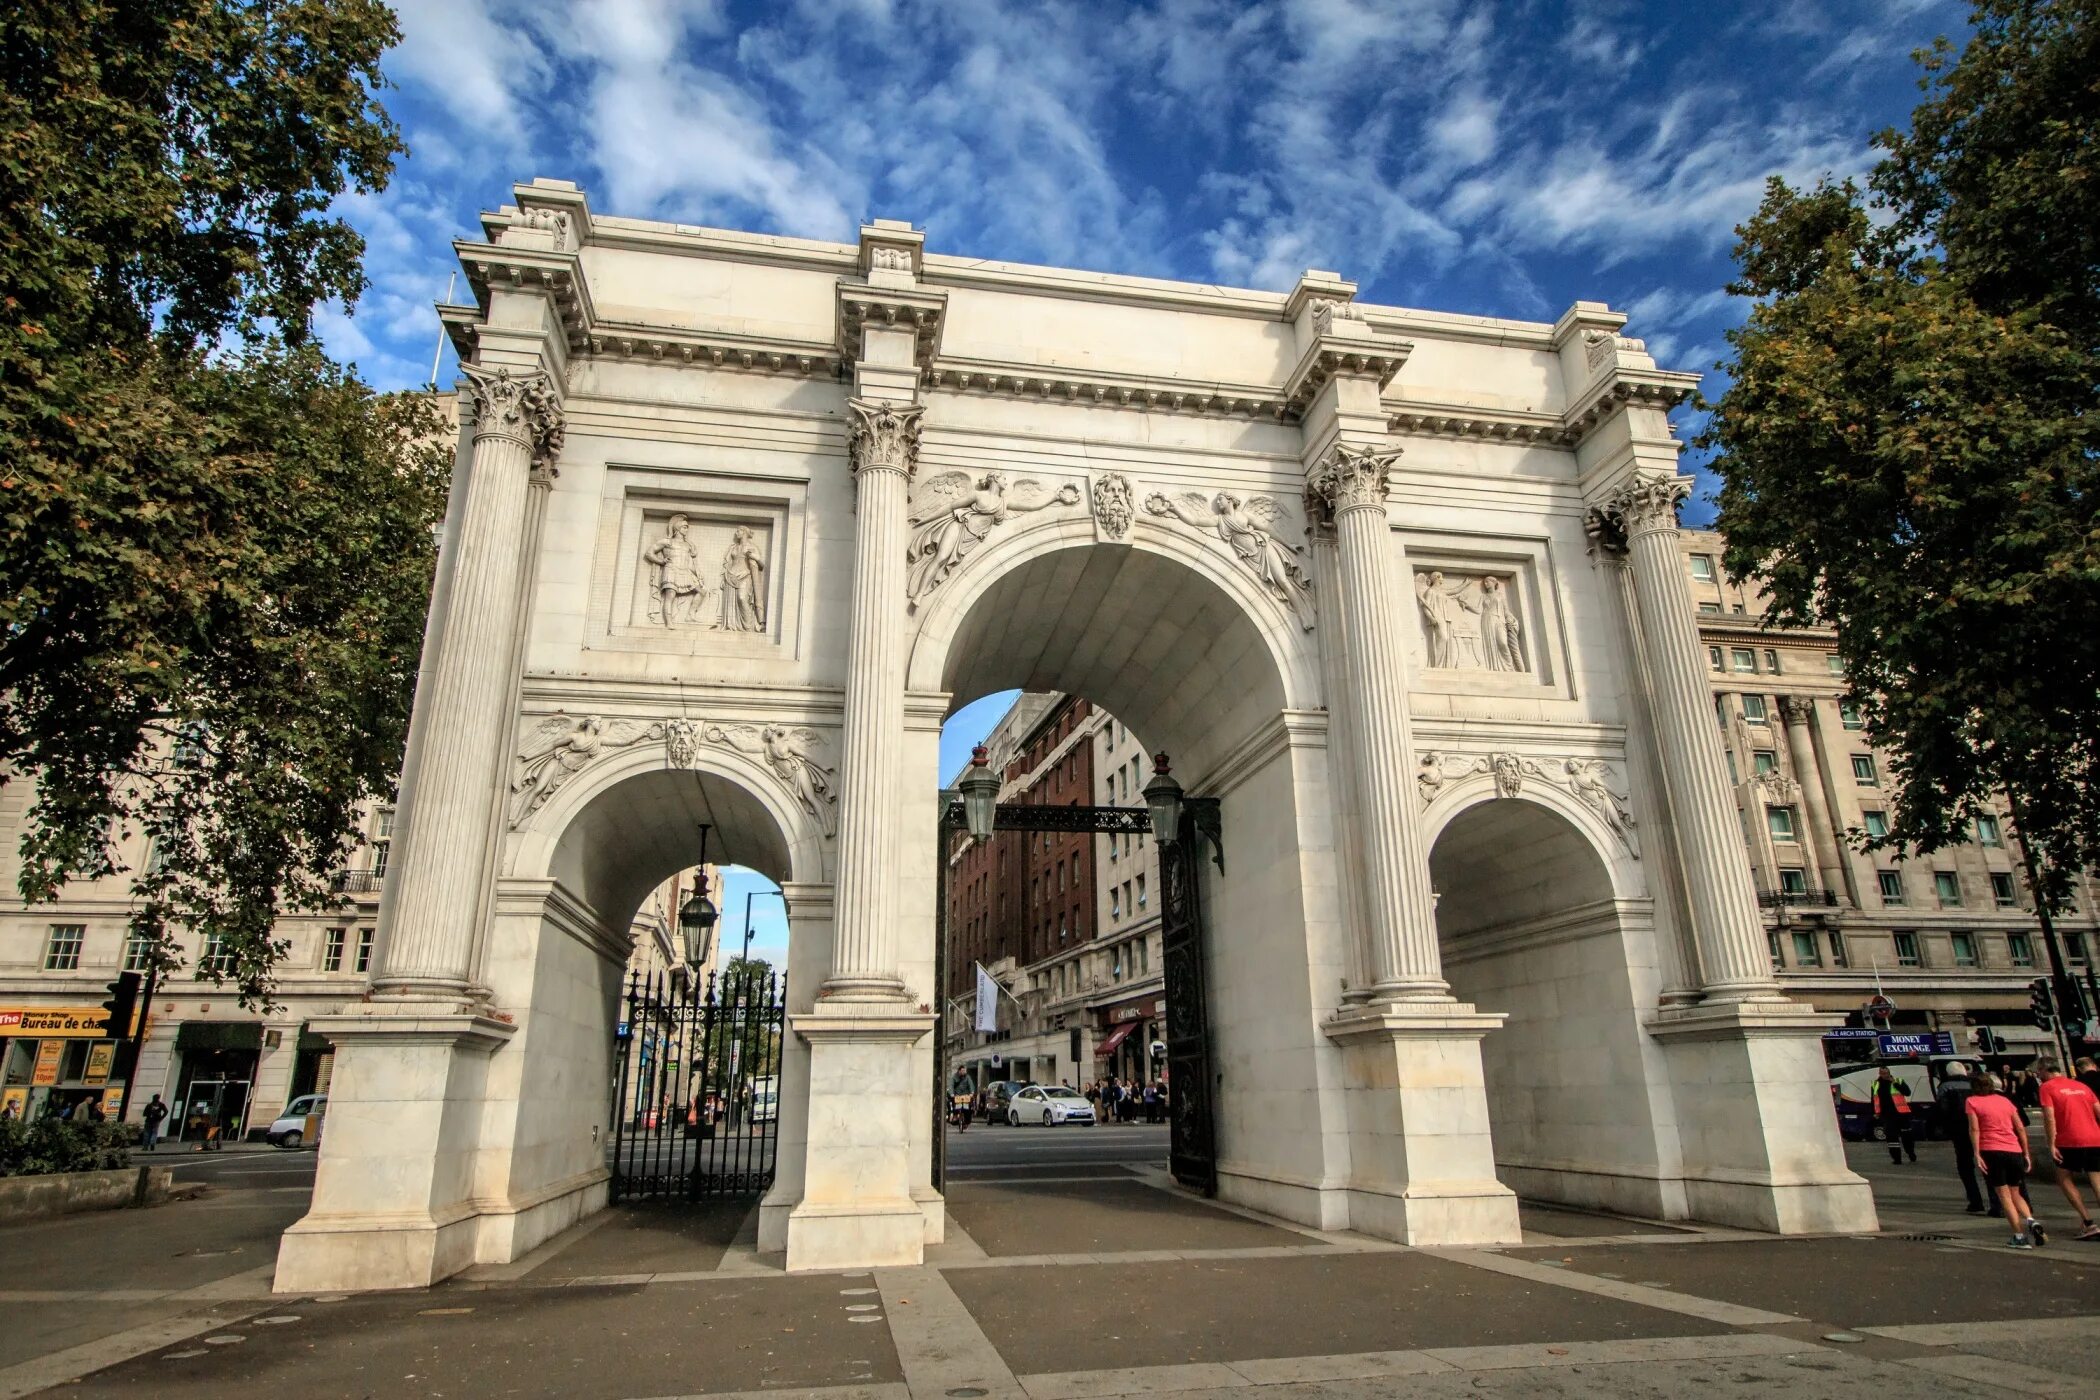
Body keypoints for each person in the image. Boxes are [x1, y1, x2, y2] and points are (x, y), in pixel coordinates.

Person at [1967, 1069, 2045, 1248]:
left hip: (1991, 1150)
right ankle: (2031, 1220)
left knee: (2004, 1196)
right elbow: (2020, 1128)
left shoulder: (1972, 1101)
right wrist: (2025, 1152)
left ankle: (2019, 1236)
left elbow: (1975, 1129)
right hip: (2013, 1149)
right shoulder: (2005, 1101)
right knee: (2016, 1192)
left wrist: (1977, 1153)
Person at [2036, 1059, 2100, 1240]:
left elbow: (2049, 1118)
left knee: (2063, 1177)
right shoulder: (2081, 1086)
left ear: (2043, 1070)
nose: (2039, 1077)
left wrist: (2051, 1143)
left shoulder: (2047, 1088)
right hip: (2095, 1137)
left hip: (2069, 1139)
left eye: (2039, 1073)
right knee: (2096, 1179)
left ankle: (2088, 1222)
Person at [1937, 1064, 1988, 1214]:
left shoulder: (1945, 1086)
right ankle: (1996, 1202)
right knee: (1987, 1166)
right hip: (1979, 1128)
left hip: (1959, 1130)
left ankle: (1975, 1201)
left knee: (1966, 1167)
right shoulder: (1973, 1084)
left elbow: (1943, 1109)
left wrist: (1944, 1128)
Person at [1873, 1067, 1917, 1165]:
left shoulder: (1898, 1081)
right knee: (1891, 1137)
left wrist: (1895, 1083)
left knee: (1907, 1135)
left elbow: (1907, 1092)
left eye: (1887, 1073)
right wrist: (1875, 1112)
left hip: (1902, 1113)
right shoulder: (1876, 1084)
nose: (1886, 1075)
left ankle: (1911, 1153)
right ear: (1880, 1074)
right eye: (1883, 1073)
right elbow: (1874, 1099)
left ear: (1890, 1073)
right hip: (1887, 1115)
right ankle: (1897, 1158)